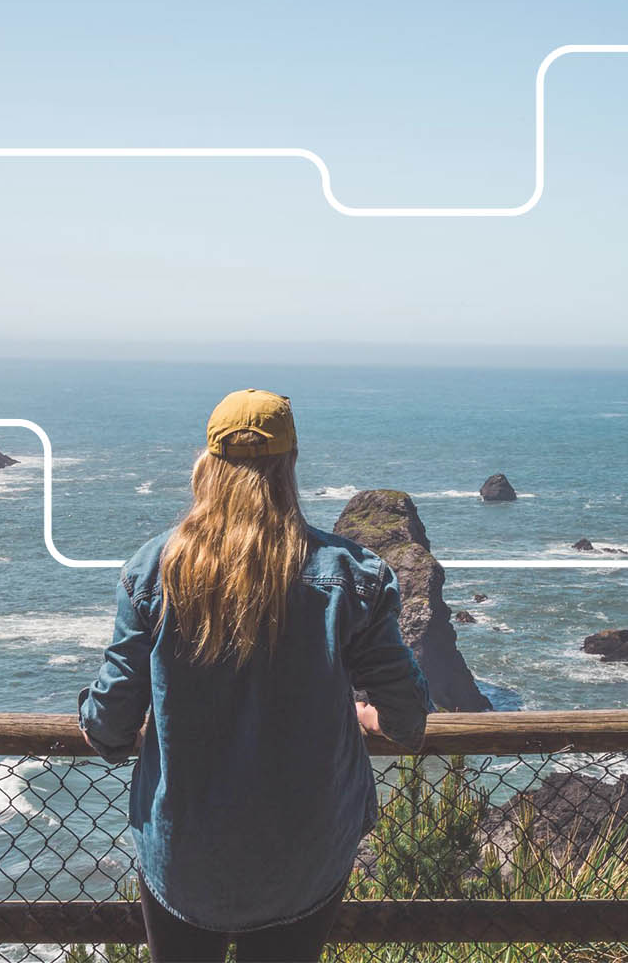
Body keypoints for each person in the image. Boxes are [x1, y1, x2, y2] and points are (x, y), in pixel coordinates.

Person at [78, 388, 433, 963]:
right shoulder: (352, 576)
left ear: (209, 466)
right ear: (289, 465)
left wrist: (144, 729)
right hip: (304, 853)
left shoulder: (152, 571)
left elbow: (110, 725)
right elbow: (407, 717)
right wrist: (357, 713)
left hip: (185, 855)